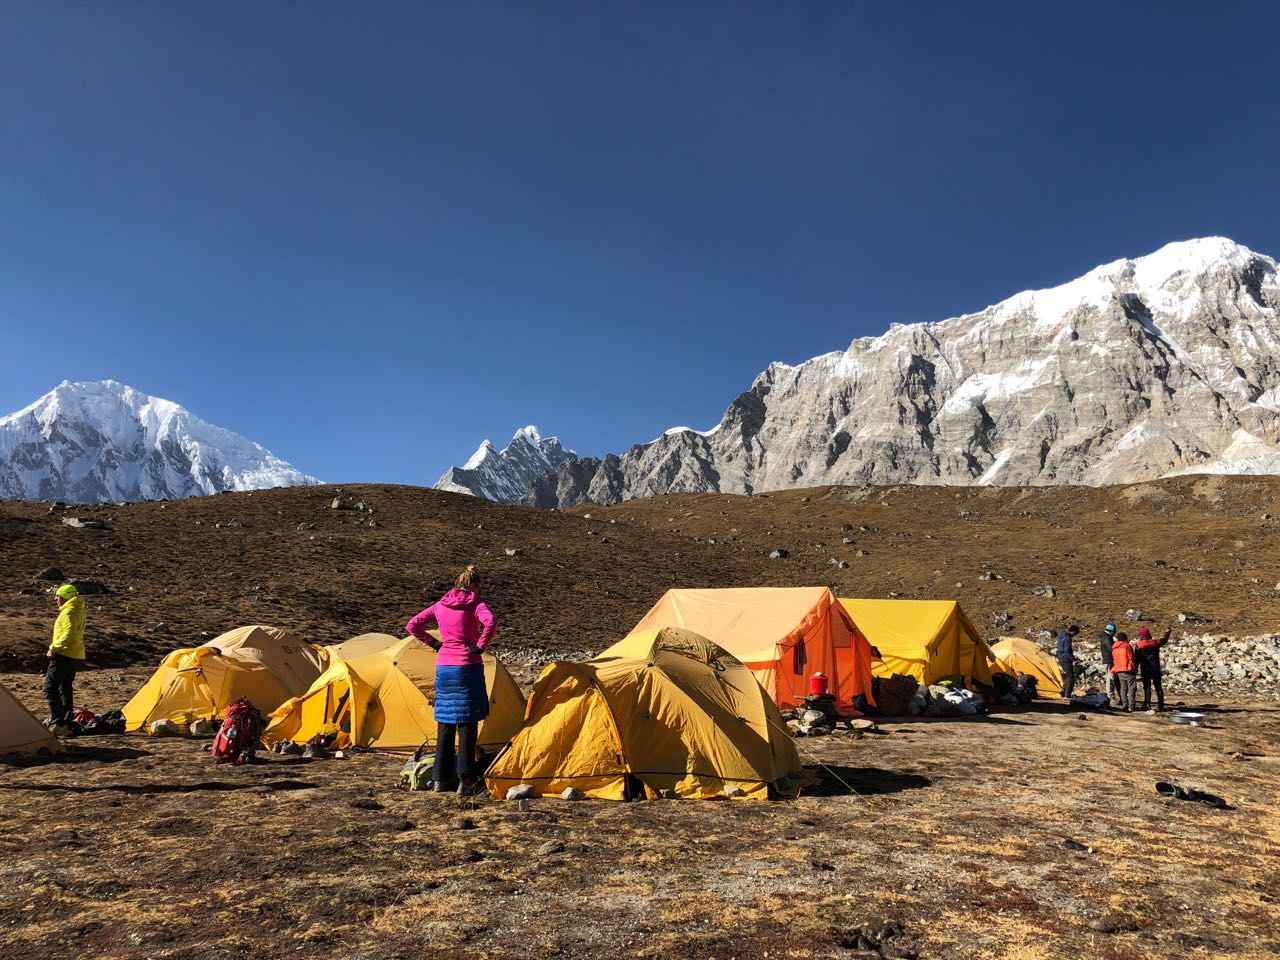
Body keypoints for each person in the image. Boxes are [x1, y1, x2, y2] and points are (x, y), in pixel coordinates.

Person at [405, 565, 496, 795]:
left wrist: (435, 644)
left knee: (445, 722)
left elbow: (412, 625)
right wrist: (479, 647)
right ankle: (466, 781)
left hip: (444, 667)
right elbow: (491, 622)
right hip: (466, 666)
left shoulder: (440, 604)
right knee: (468, 722)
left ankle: (439, 779)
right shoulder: (476, 604)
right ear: (475, 585)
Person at [45, 583, 86, 731]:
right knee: (65, 687)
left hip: (64, 653)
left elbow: (69, 634)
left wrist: (54, 648)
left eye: (58, 596)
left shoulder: (69, 612)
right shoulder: (77, 609)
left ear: (64, 597)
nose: (56, 599)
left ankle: (58, 721)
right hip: (74, 654)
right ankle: (66, 719)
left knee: (50, 688)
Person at [1135, 626, 1171, 711]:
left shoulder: (1139, 646)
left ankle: (1147, 704)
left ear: (1141, 636)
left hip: (1145, 669)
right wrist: (1167, 632)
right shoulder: (1155, 643)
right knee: (1158, 687)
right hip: (1155, 669)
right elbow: (1164, 640)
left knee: (1147, 687)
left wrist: (1135, 668)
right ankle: (1160, 705)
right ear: (1149, 635)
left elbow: (1137, 659)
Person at [1110, 630, 1137, 712]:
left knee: (1123, 688)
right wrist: (1134, 667)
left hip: (1118, 670)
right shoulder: (1127, 646)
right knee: (1131, 688)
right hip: (1128, 669)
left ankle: (1124, 705)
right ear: (1125, 638)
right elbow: (1131, 658)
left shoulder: (1114, 647)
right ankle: (1131, 706)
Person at [1054, 625, 1080, 699]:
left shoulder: (1061, 635)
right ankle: (1067, 694)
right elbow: (1067, 650)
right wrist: (1073, 659)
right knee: (1070, 677)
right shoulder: (1068, 638)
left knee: (1067, 676)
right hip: (1065, 658)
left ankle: (1063, 692)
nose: (1074, 636)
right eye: (1075, 634)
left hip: (1060, 656)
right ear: (1073, 632)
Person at [1098, 622, 1119, 702]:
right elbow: (1111, 649)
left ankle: (1110, 694)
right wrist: (1116, 643)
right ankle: (1110, 695)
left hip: (1107, 659)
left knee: (1110, 677)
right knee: (1110, 677)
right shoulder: (1107, 638)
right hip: (1109, 659)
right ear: (1112, 631)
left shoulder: (1105, 637)